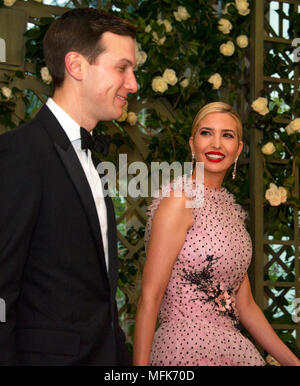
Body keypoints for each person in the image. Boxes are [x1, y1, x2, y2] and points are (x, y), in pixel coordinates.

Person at [0, 8, 138, 365]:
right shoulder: (19, 154)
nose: (133, 84)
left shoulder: (92, 158)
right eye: (122, 68)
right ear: (76, 66)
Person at [133, 102, 300, 366]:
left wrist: (293, 362)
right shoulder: (179, 201)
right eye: (206, 133)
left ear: (238, 149)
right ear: (192, 144)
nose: (217, 144)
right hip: (183, 351)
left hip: (233, 350)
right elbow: (149, 299)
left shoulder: (232, 213)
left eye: (227, 135)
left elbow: (245, 306)